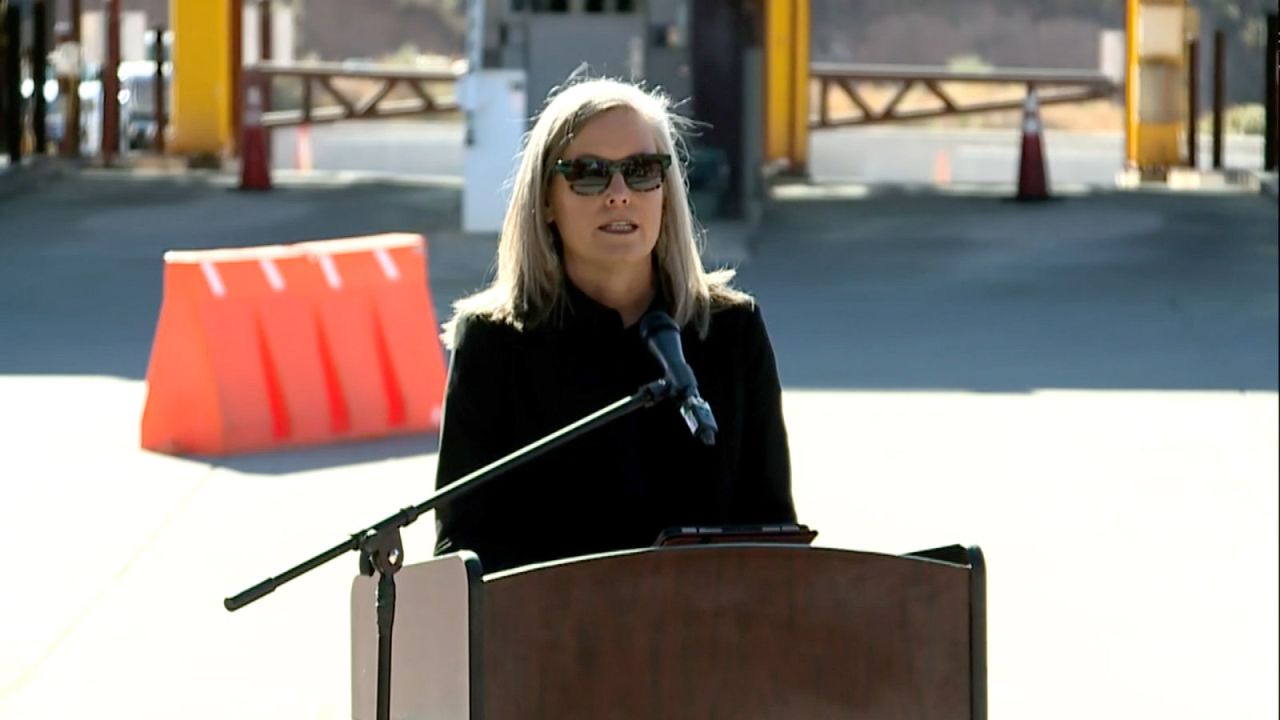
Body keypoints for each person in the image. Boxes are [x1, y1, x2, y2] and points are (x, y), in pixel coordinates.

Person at [432, 76, 795, 574]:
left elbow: (773, 530)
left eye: (642, 170)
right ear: (545, 200)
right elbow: (464, 553)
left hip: (708, 638)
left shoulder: (732, 329)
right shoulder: (495, 342)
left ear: (666, 192)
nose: (619, 194)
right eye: (589, 173)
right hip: (551, 641)